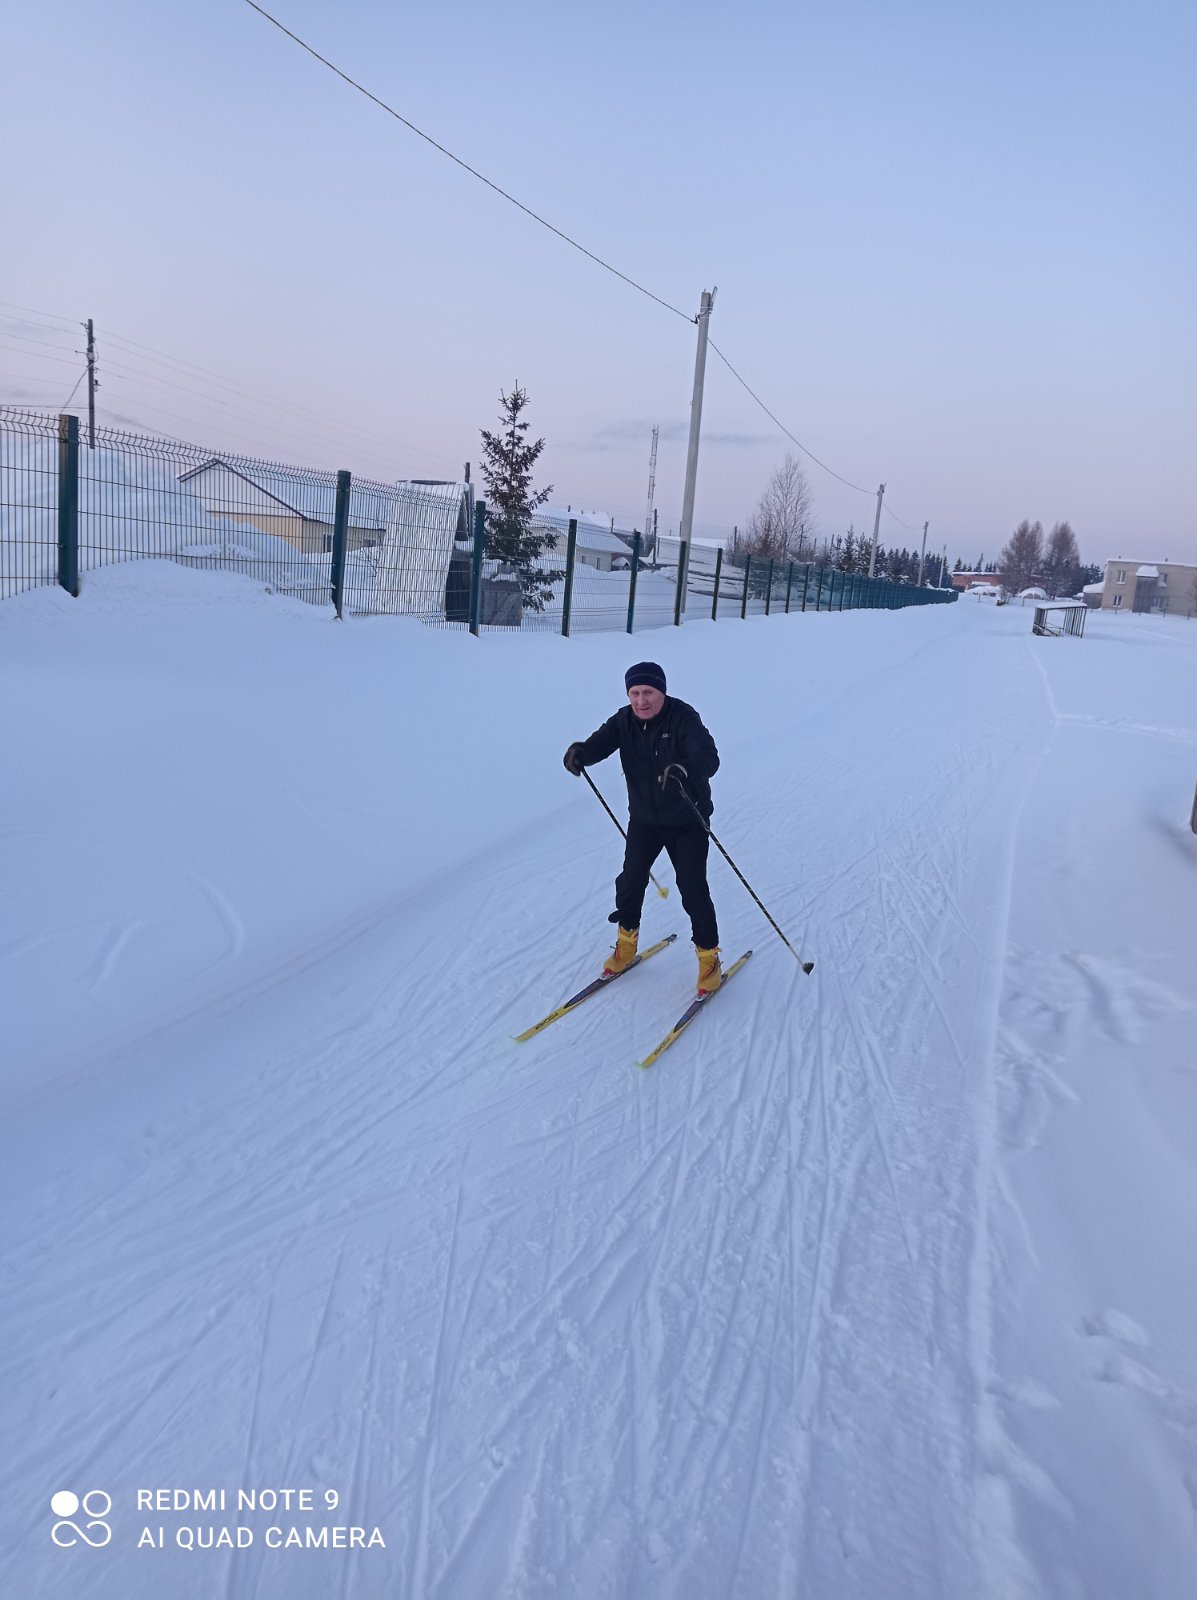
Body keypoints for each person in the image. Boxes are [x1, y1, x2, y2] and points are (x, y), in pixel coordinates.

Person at [563, 662, 722, 994]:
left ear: (661, 691)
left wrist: (686, 769)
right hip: (645, 821)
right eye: (634, 693)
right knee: (630, 881)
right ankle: (626, 942)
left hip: (687, 821)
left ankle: (709, 957)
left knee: (692, 888)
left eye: (648, 692)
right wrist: (580, 753)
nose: (641, 701)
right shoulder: (624, 721)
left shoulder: (683, 717)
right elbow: (597, 745)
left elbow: (709, 757)